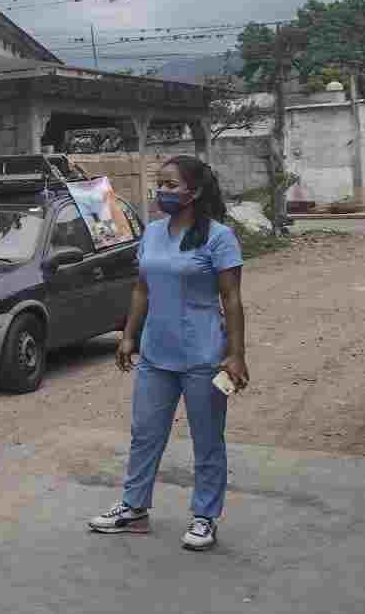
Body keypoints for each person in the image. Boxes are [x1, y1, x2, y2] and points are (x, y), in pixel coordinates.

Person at [89, 156, 247, 551]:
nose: (162, 191)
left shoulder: (218, 237)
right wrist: (129, 336)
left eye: (171, 184)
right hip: (156, 355)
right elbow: (142, 288)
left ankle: (204, 517)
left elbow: (231, 297)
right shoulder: (154, 232)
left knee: (207, 440)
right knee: (145, 434)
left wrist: (236, 353)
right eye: (159, 183)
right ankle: (134, 508)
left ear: (194, 191)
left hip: (203, 355)